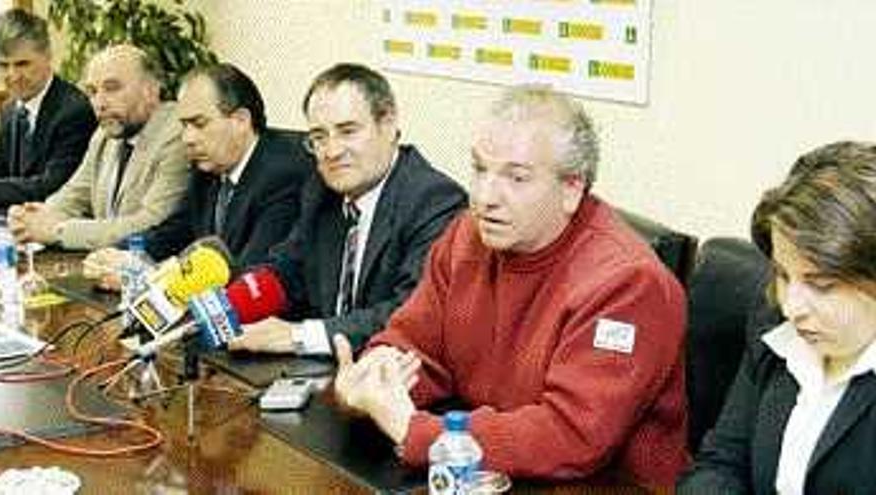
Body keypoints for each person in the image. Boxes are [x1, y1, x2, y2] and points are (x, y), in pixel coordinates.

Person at [332, 86, 689, 485]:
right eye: (480, 170)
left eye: (515, 178)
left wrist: (417, 432)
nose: (484, 197)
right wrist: (376, 373)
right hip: (491, 473)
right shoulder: (468, 236)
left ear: (572, 188)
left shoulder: (629, 282)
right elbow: (417, 342)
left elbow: (569, 435)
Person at [679, 141, 876, 494]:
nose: (791, 307)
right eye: (783, 275)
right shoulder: (773, 320)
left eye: (822, 285)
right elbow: (722, 462)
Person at [228, 63, 466, 353]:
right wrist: (230, 304)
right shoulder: (322, 190)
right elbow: (287, 269)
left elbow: (410, 315)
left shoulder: (434, 201)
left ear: (388, 124)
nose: (332, 151)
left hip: (395, 379)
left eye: (347, 131)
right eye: (319, 137)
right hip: (328, 373)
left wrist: (298, 336)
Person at [85, 63, 313, 276]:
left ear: (241, 121)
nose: (188, 138)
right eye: (184, 125)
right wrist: (120, 254)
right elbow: (176, 230)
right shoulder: (208, 167)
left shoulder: (282, 174)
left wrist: (147, 274)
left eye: (199, 124)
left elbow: (250, 271)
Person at [7, 44, 188, 249]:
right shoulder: (104, 135)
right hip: (106, 268)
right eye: (92, 91)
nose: (99, 103)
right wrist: (31, 219)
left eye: (112, 88)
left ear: (151, 90)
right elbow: (74, 194)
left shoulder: (177, 133)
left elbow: (149, 223)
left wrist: (58, 231)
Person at [0, 8, 96, 211]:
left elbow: (53, 186)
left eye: (22, 64)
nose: (13, 76)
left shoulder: (75, 110)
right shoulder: (9, 109)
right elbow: (2, 172)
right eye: (3, 65)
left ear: (48, 56)